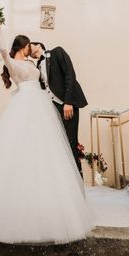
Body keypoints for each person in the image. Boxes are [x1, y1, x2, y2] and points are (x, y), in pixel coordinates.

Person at [0, 14, 92, 246]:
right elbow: (1, 49)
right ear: (21, 46)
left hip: (42, 107)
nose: (31, 48)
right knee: (19, 149)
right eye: (28, 45)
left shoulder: (32, 64)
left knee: (45, 153)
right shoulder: (13, 62)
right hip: (26, 105)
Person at [29, 37, 88, 175]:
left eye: (29, 45)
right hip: (52, 109)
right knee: (57, 146)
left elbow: (70, 75)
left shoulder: (57, 52)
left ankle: (77, 180)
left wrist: (68, 102)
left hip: (67, 106)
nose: (28, 49)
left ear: (38, 45)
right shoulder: (37, 66)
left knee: (71, 144)